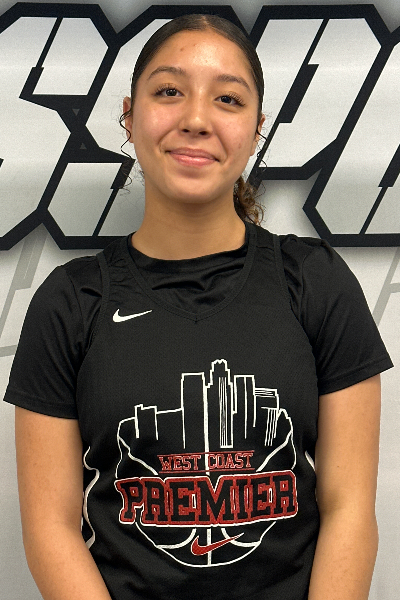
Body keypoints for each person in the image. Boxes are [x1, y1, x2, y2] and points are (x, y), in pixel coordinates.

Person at [4, 13, 393, 600]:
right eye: (168, 91)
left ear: (257, 130)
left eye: (227, 99)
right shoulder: (70, 302)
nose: (195, 119)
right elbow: (49, 528)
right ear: (129, 117)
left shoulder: (317, 283)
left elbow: (350, 509)